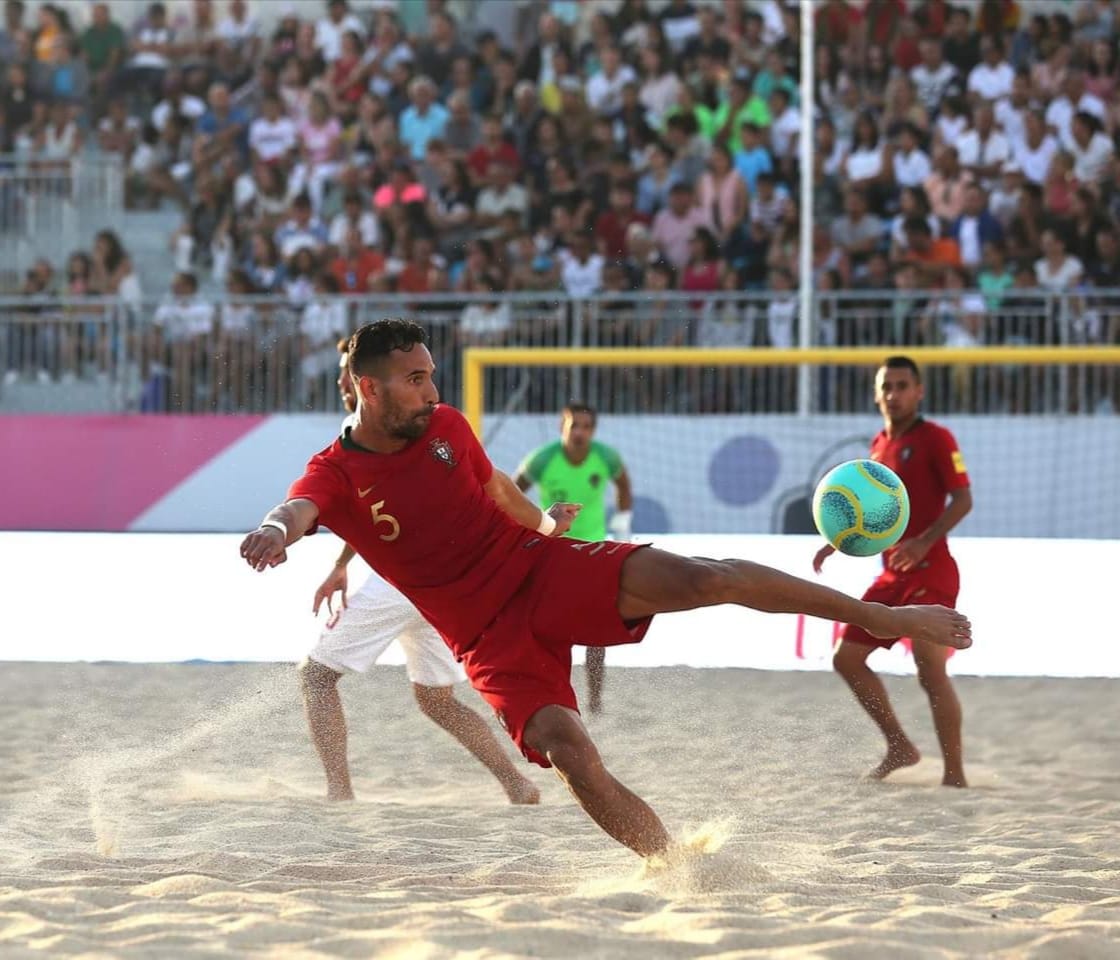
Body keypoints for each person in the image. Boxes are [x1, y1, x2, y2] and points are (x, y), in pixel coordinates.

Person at [240, 320, 971, 858]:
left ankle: (883, 611)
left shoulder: (447, 426)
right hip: (485, 637)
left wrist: (549, 532)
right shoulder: (333, 471)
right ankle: (671, 863)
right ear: (368, 387)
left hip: (539, 567)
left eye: (432, 374)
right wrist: (275, 531)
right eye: (416, 379)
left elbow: (494, 489)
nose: (433, 390)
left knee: (702, 576)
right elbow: (295, 508)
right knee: (570, 754)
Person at [299, 338, 540, 805]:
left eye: (346, 373)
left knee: (316, 676)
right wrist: (341, 565)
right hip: (441, 587)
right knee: (437, 701)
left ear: (366, 383)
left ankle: (338, 791)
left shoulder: (374, 432)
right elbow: (374, 515)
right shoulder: (379, 427)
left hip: (405, 584)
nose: (340, 383)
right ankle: (518, 785)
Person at [813, 356, 973, 788]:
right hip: (891, 574)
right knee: (845, 658)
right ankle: (900, 746)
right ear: (876, 393)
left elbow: (963, 500)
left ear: (919, 391)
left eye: (902, 386)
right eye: (886, 386)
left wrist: (923, 540)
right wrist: (838, 540)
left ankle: (954, 776)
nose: (893, 394)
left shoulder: (936, 438)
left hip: (931, 570)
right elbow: (874, 515)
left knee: (929, 669)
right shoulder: (878, 445)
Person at [514, 404, 633, 714]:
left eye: (585, 426)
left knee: (597, 631)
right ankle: (553, 696)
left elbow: (623, 484)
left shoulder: (605, 457)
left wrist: (622, 521)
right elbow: (513, 493)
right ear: (561, 427)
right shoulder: (542, 459)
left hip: (592, 550)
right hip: (550, 551)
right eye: (573, 425)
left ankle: (594, 699)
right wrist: (531, 524)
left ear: (592, 431)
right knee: (551, 629)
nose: (579, 432)